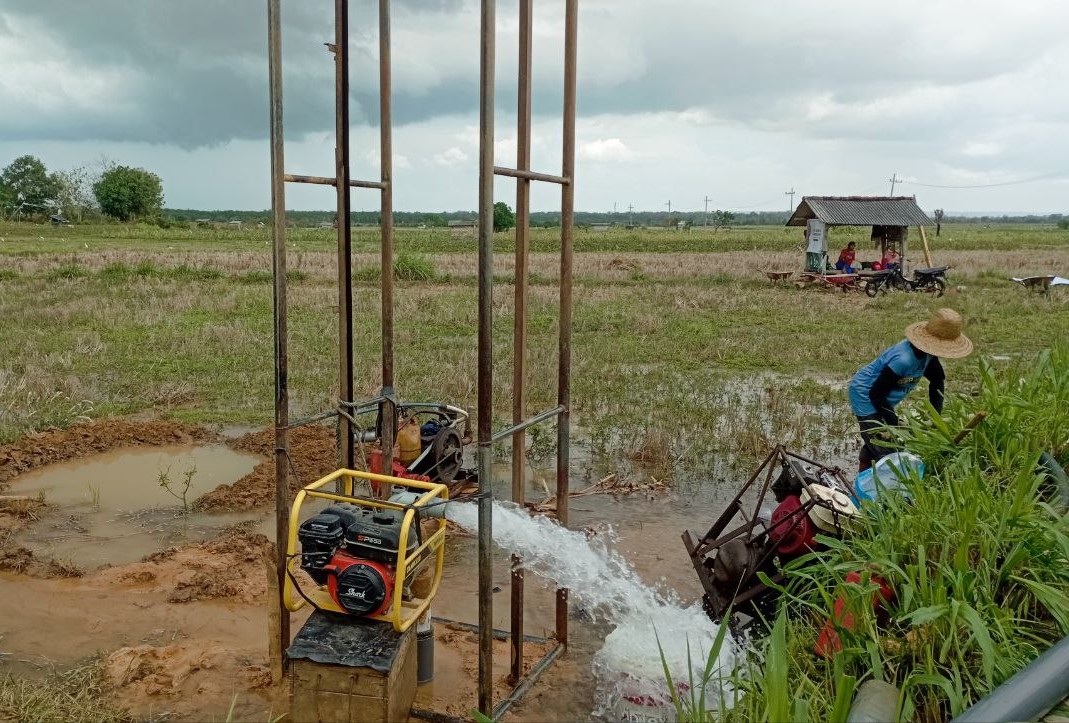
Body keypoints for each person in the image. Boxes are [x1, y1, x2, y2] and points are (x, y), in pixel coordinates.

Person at [848, 308, 973, 471]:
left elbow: (937, 380)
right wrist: (895, 424)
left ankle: (862, 475)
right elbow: (876, 394)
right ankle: (879, 490)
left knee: (877, 439)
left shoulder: (928, 354)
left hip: (883, 397)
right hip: (866, 394)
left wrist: (936, 416)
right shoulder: (904, 360)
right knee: (887, 449)